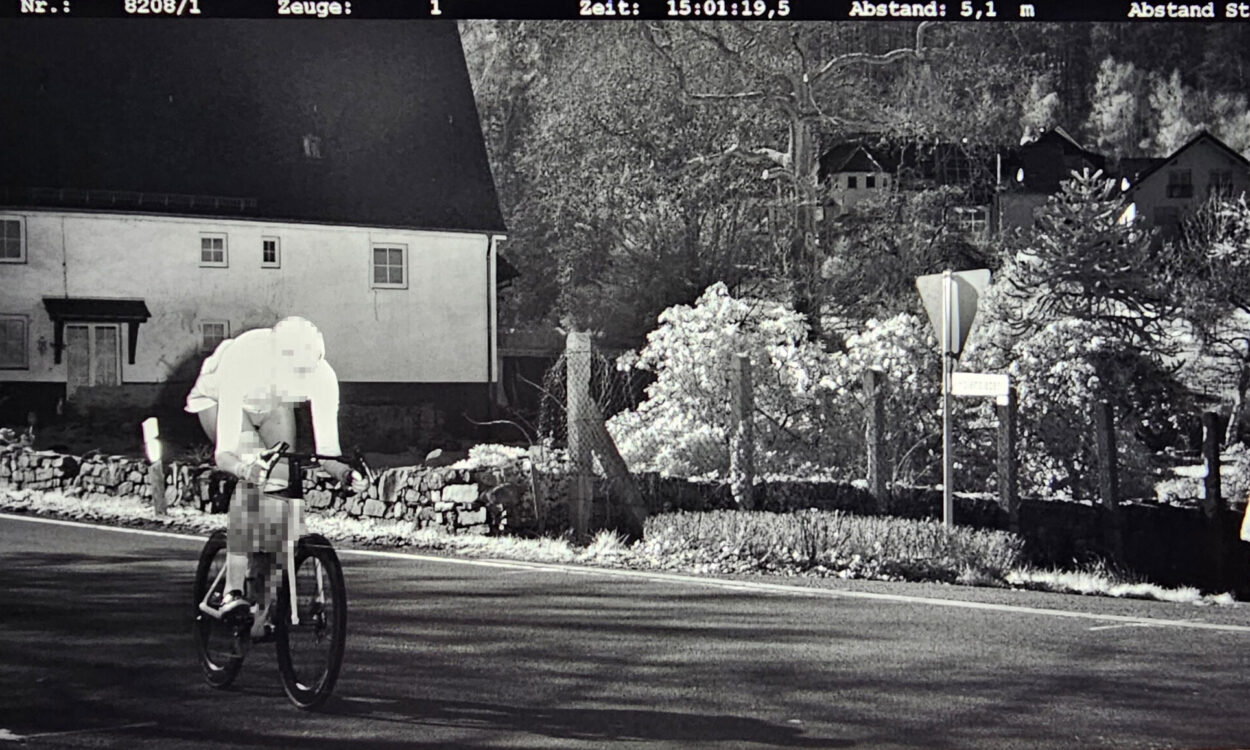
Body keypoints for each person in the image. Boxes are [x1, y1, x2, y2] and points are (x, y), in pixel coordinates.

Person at [185, 316, 365, 633]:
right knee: (254, 479)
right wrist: (245, 468)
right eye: (296, 376)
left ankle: (262, 602)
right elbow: (224, 454)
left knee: (280, 486)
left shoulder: (322, 375)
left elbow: (328, 452)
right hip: (218, 400)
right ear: (278, 363)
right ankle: (232, 591)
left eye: (305, 377)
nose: (303, 383)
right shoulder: (244, 361)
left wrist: (346, 473)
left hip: (272, 405)